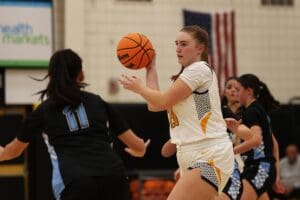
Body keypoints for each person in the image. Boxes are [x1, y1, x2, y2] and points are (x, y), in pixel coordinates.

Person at [0, 49, 150, 200]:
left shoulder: (44, 110)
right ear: (81, 74)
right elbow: (139, 147)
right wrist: (140, 150)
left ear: (51, 77)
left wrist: (3, 153)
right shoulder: (98, 102)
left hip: (76, 181)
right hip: (114, 177)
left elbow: (13, 151)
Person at [120, 25, 234, 200]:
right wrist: (150, 68)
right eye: (176, 44)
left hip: (209, 154)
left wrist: (140, 88)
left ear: (200, 48)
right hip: (192, 153)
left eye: (184, 44)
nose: (178, 49)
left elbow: (161, 101)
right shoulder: (188, 76)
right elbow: (155, 105)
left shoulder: (199, 69)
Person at [226, 74, 278, 200]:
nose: (236, 93)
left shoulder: (252, 111)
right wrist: (236, 129)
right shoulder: (256, 110)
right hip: (257, 167)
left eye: (239, 90)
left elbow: (256, 139)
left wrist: (230, 152)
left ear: (249, 91)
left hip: (260, 167)